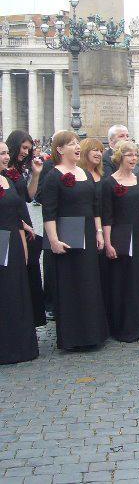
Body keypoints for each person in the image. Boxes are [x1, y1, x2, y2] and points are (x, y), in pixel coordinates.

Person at [42, 131, 109, 350]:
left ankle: (93, 333)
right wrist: (53, 240)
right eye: (72, 144)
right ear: (60, 150)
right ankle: (73, 337)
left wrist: (99, 232)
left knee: (90, 282)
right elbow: (49, 212)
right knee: (71, 285)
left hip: (88, 233)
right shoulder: (54, 175)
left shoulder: (85, 173)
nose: (77, 147)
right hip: (67, 236)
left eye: (78, 143)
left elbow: (94, 206)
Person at [102, 141, 139, 342]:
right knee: (122, 281)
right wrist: (108, 243)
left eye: (135, 155)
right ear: (120, 157)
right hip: (119, 235)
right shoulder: (109, 183)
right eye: (129, 155)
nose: (133, 159)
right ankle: (123, 325)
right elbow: (107, 216)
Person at [0, 141, 39, 365]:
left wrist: (24, 233)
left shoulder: (7, 179)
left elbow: (17, 210)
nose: (7, 157)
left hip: (13, 239)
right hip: (1, 238)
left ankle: (19, 345)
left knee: (16, 290)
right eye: (2, 154)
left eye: (6, 153)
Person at [5, 129, 45, 327]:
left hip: (24, 221)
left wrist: (36, 175)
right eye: (24, 148)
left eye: (29, 149)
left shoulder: (18, 170)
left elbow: (29, 197)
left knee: (29, 268)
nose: (26, 152)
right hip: (10, 223)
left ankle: (30, 318)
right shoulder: (4, 171)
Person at [79, 138, 110, 316]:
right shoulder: (81, 175)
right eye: (94, 150)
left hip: (106, 225)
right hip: (89, 226)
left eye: (100, 150)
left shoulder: (103, 175)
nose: (99, 153)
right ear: (84, 152)